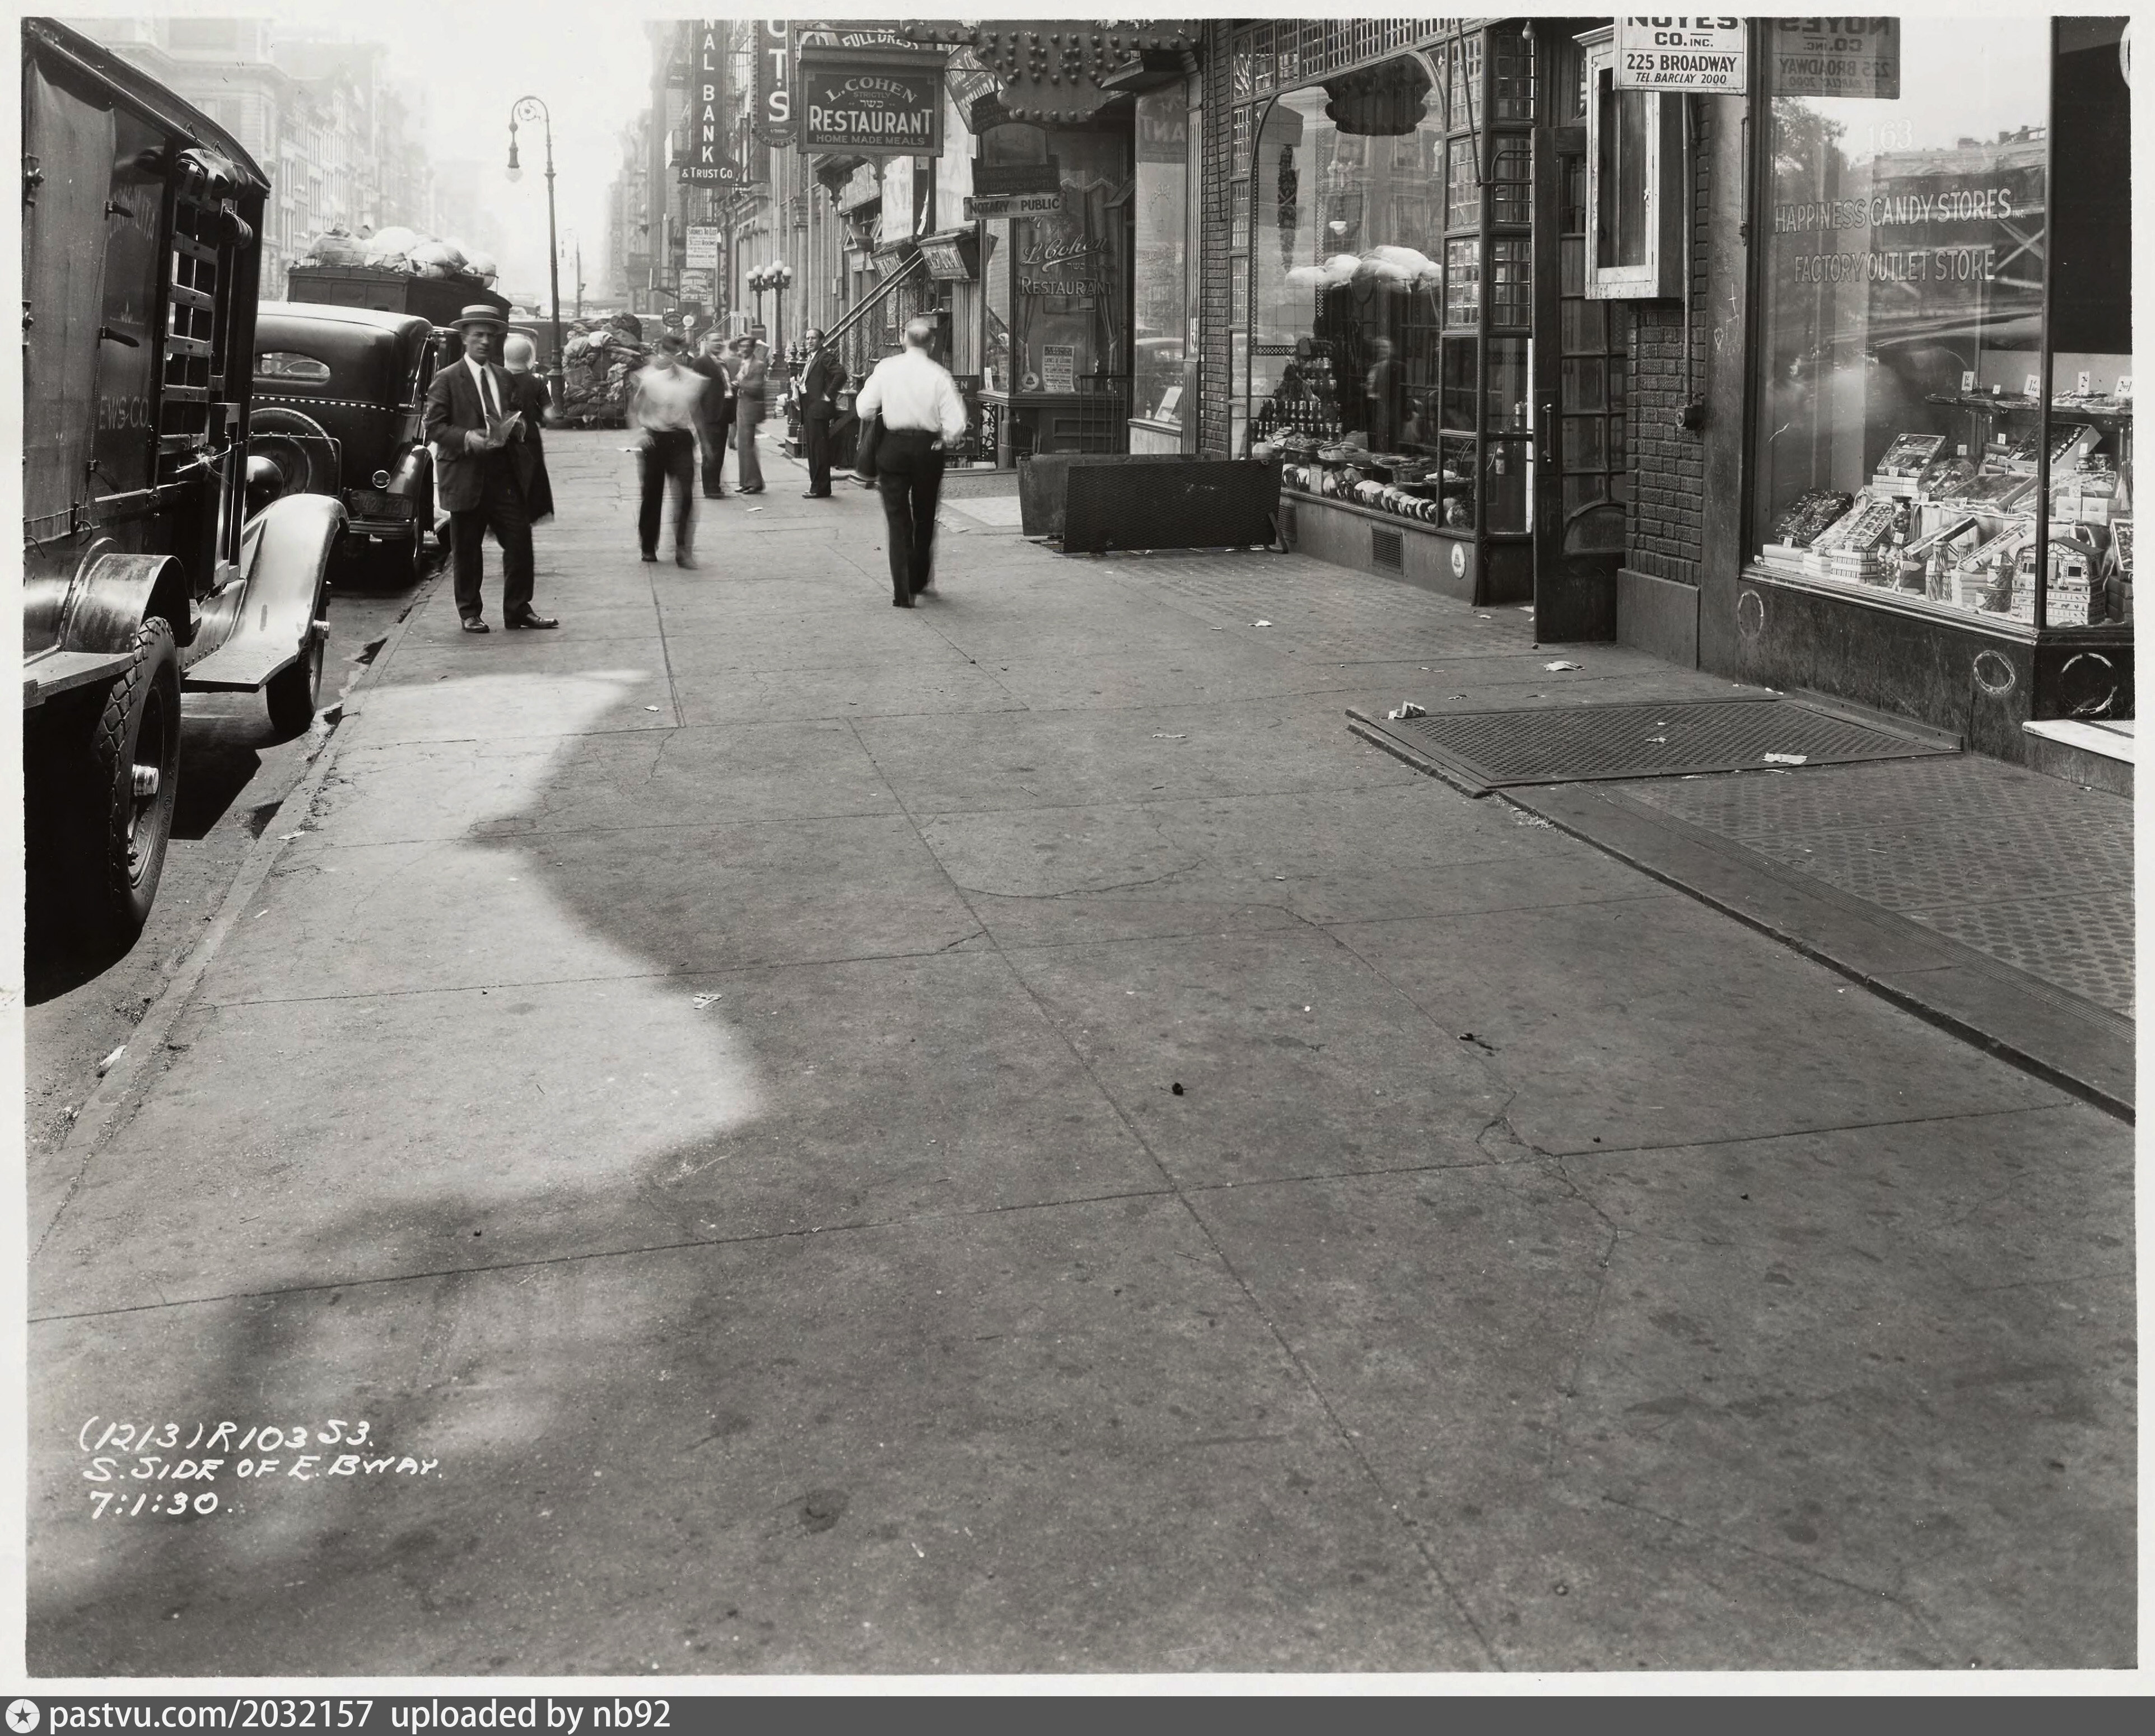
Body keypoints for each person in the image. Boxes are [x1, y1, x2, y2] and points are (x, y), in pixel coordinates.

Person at [422, 304, 557, 633]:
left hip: (503, 475)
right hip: (466, 474)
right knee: (467, 549)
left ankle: (518, 609)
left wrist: (517, 427)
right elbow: (434, 426)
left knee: (520, 541)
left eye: (490, 336)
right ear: (465, 338)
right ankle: (470, 612)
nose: (484, 341)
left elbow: (515, 413)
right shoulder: (447, 379)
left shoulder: (504, 377)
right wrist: (467, 437)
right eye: (478, 335)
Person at [853, 315, 968, 607]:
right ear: (931, 343)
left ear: (904, 339)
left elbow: (864, 409)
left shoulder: (886, 368)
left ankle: (904, 591)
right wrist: (946, 437)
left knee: (897, 518)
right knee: (925, 515)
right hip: (927, 447)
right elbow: (956, 423)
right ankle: (919, 578)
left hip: (893, 447)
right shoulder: (939, 375)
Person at [628, 333, 704, 567]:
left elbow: (696, 410)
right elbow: (634, 409)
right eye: (667, 352)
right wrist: (640, 434)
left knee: (686, 494)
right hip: (655, 438)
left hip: (681, 438)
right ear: (660, 351)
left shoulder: (691, 379)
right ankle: (648, 545)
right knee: (652, 494)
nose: (671, 357)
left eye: (676, 353)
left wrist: (705, 442)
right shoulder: (648, 378)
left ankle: (683, 549)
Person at [500, 333, 556, 528]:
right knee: (530, 481)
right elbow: (551, 416)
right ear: (529, 358)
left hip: (504, 440)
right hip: (530, 442)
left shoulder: (498, 381)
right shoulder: (536, 383)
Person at [795, 328, 847, 498]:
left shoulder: (824, 356)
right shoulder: (813, 357)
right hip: (810, 409)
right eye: (808, 338)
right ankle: (816, 486)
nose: (810, 341)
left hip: (818, 410)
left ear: (822, 340)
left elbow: (841, 374)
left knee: (819, 450)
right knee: (814, 450)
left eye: (814, 338)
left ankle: (820, 488)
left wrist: (828, 395)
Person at [687, 330, 735, 499]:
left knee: (719, 452)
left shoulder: (721, 363)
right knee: (711, 453)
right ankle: (710, 488)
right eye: (715, 341)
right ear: (706, 344)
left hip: (723, 414)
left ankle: (715, 485)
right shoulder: (701, 363)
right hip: (710, 414)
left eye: (721, 340)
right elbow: (694, 390)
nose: (719, 343)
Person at [730, 336, 767, 494]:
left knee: (747, 445)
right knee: (743, 446)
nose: (744, 349)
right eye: (742, 346)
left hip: (751, 408)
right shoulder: (743, 363)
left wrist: (740, 384)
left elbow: (757, 386)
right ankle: (746, 482)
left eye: (747, 346)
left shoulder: (758, 365)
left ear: (753, 348)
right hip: (742, 405)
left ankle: (754, 483)